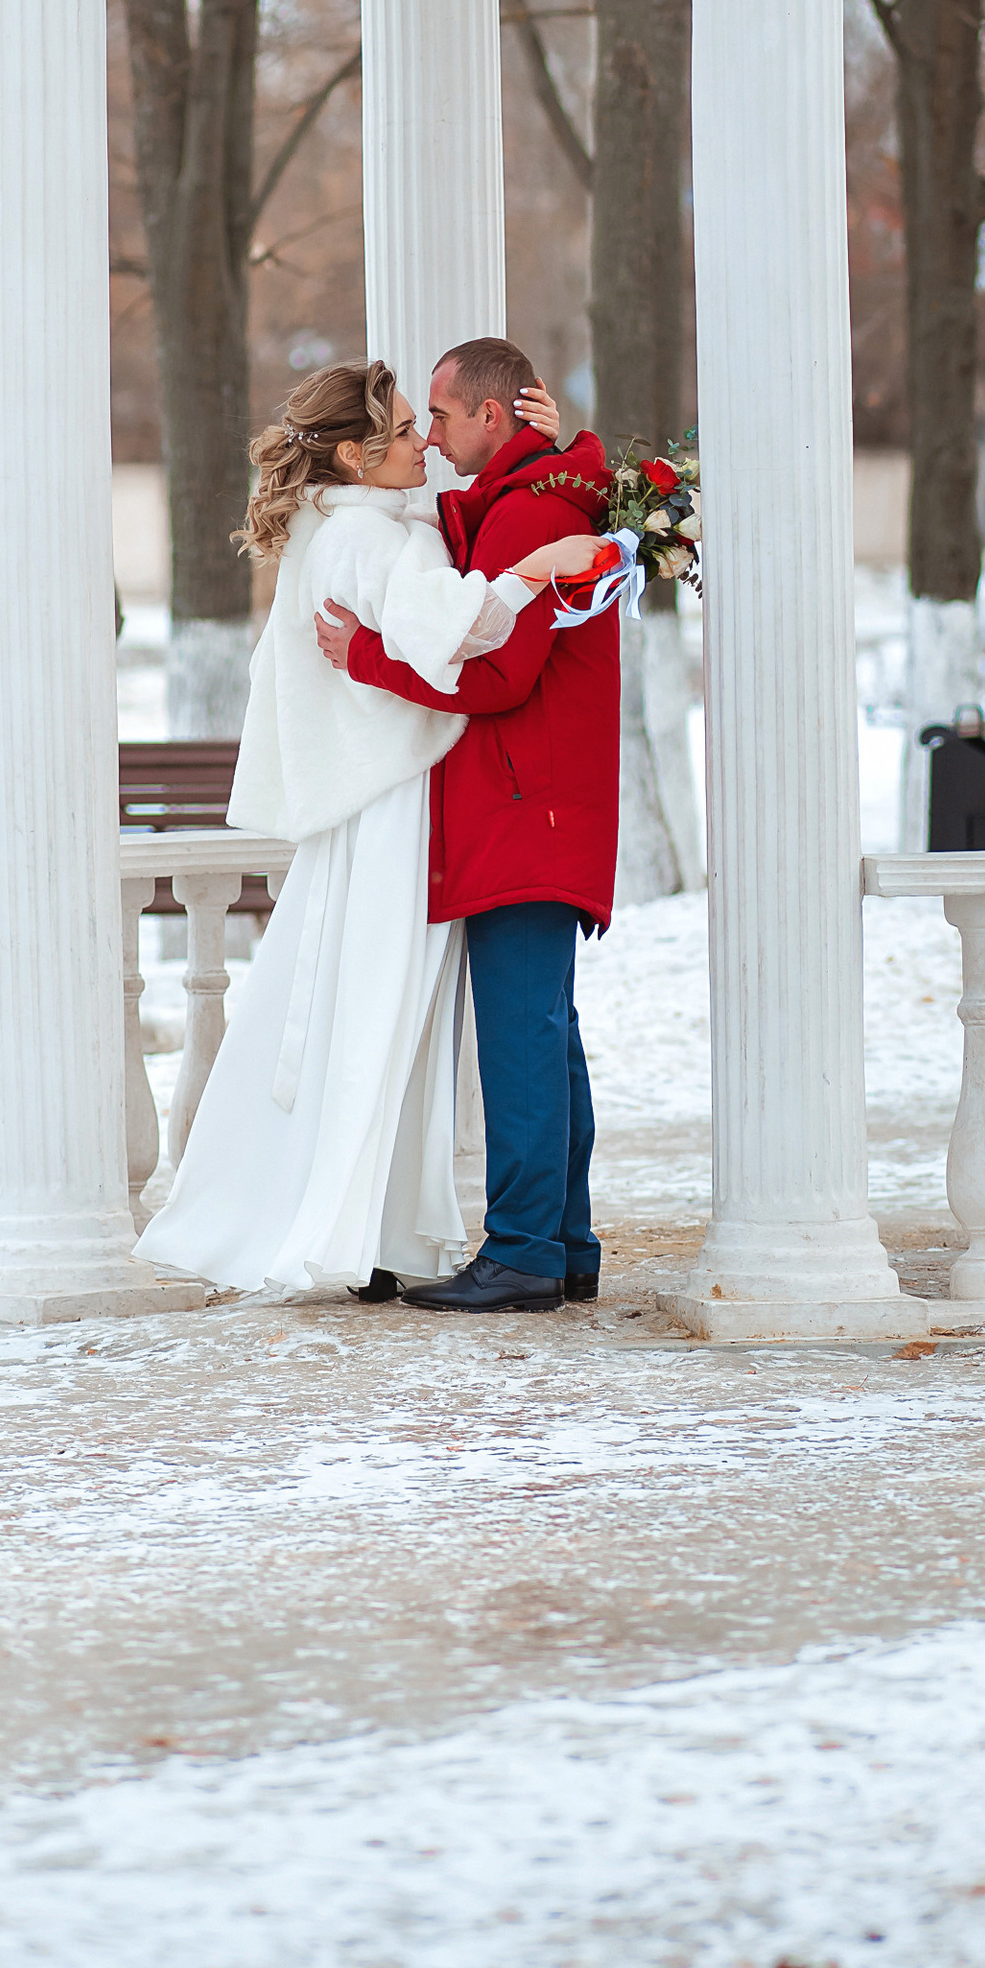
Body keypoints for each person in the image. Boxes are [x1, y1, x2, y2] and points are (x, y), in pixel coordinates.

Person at [135, 360, 595, 1302]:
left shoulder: (367, 527)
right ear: (356, 454)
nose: (425, 439)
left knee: (390, 1021)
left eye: (434, 417)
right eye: (407, 426)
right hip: (395, 813)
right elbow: (468, 636)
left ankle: (382, 1233)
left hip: (385, 808)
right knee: (385, 1019)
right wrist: (526, 575)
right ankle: (361, 1234)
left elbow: (493, 507)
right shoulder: (370, 542)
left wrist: (562, 453)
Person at [316, 336, 620, 1317]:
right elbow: (462, 517)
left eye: (440, 416)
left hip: (520, 804)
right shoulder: (535, 495)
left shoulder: (525, 510)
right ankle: (563, 1245)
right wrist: (575, 450)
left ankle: (525, 1247)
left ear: (492, 415)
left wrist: (364, 654)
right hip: (543, 803)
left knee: (520, 1039)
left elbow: (493, 672)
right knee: (545, 1030)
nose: (432, 439)